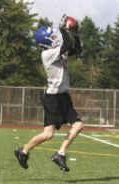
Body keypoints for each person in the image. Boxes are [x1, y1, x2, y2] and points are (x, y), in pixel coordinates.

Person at [14, 15, 84, 172]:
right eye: (52, 37)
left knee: (79, 125)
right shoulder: (48, 54)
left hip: (64, 96)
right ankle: (23, 151)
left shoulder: (57, 50)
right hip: (53, 98)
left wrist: (75, 33)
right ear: (46, 41)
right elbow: (66, 44)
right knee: (48, 135)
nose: (55, 38)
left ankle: (60, 154)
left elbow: (77, 49)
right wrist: (64, 29)